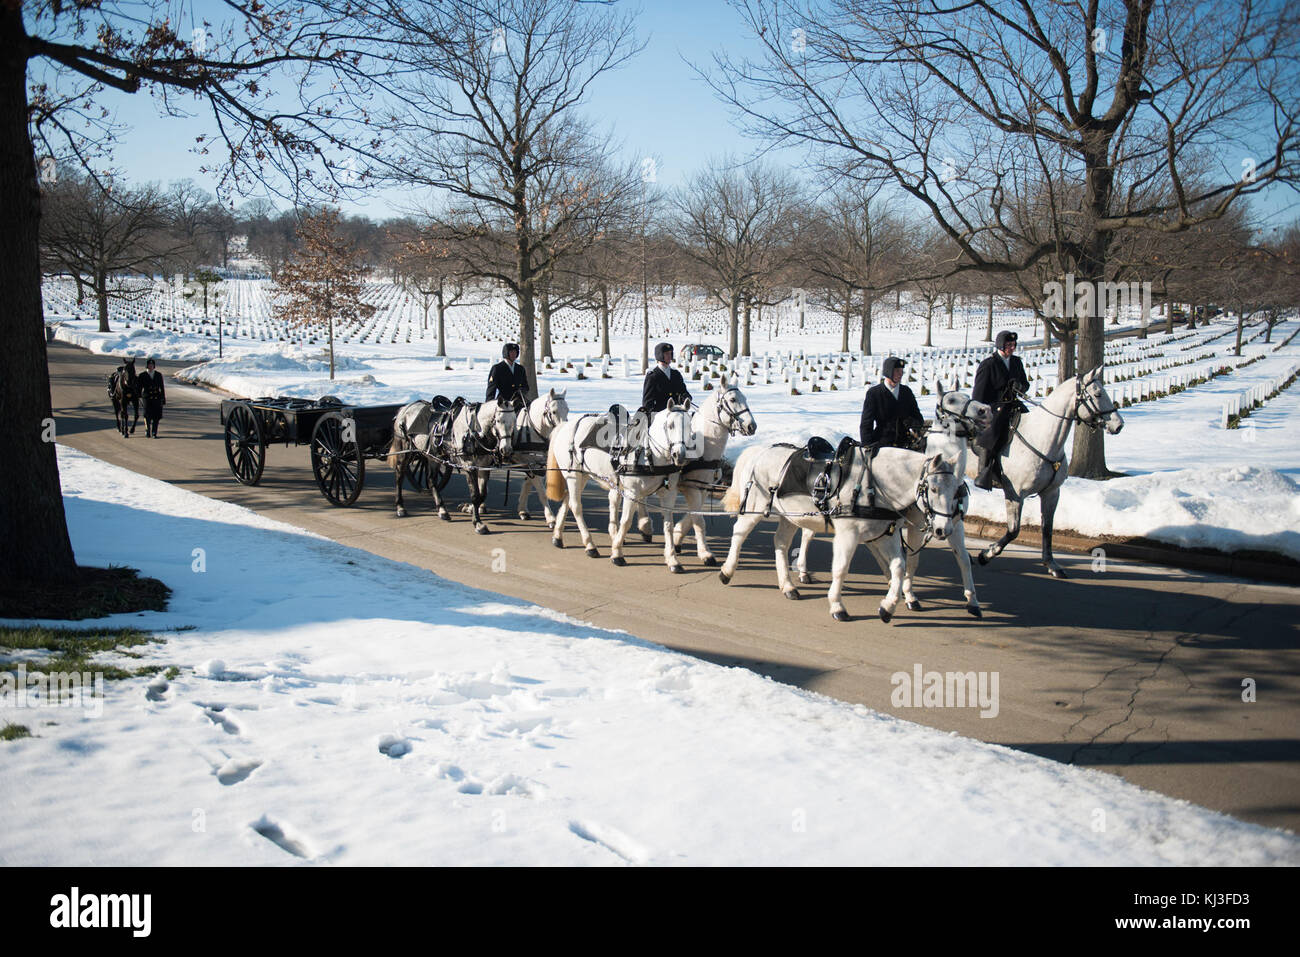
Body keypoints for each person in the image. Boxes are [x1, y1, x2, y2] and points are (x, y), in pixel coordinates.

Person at [972, 329, 1030, 489]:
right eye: (1009, 345)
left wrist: (1020, 386)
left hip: (1013, 405)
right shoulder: (989, 364)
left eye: (1013, 344)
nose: (1012, 348)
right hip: (994, 408)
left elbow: (1025, 384)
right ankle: (985, 472)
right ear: (1001, 345)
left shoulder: (1017, 362)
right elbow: (978, 395)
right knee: (992, 433)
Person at [860, 356, 923, 451]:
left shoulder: (906, 392)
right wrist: (868, 447)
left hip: (905, 445)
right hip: (882, 446)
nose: (900, 374)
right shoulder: (874, 393)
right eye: (897, 371)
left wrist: (911, 422)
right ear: (888, 372)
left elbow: (918, 419)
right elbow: (866, 424)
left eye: (902, 371)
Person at [642, 342, 692, 414]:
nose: (669, 356)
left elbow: (683, 391)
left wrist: (686, 398)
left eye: (670, 353)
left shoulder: (676, 374)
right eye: (666, 354)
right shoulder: (652, 376)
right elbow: (647, 402)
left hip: (677, 413)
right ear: (660, 356)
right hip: (660, 416)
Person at [139, 358, 165, 438]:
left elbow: (162, 387)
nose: (150, 366)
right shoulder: (142, 375)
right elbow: (139, 388)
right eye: (149, 365)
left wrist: (163, 398)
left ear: (154, 366)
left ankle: (154, 432)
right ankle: (147, 430)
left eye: (152, 365)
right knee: (147, 415)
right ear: (146, 366)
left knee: (156, 416)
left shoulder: (158, 375)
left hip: (157, 397)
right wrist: (139, 396)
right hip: (147, 398)